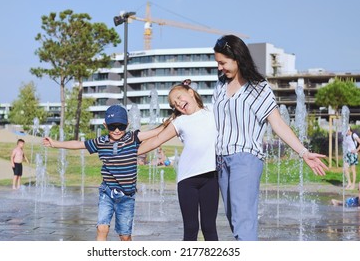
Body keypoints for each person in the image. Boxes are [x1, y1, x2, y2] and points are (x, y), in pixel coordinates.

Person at [212, 35, 329, 241]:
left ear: (237, 58)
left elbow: (277, 123)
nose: (220, 68)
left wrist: (303, 152)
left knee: (243, 221)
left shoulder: (258, 87)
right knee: (233, 218)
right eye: (218, 63)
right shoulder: (220, 86)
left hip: (245, 157)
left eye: (223, 63)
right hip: (221, 160)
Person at [42, 104, 162, 241]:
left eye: (121, 127)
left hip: (127, 196)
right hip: (107, 192)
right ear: (105, 126)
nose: (117, 130)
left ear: (127, 125)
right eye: (112, 127)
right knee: (102, 228)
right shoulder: (101, 142)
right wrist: (55, 143)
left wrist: (170, 122)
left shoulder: (132, 138)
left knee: (125, 236)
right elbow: (78, 144)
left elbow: (155, 132)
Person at [138, 79, 219, 241]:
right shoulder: (179, 121)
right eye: (175, 104)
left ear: (191, 92)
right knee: (191, 228)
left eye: (180, 98)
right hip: (187, 180)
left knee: (209, 227)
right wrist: (129, 152)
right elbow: (157, 139)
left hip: (211, 178)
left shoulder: (213, 111)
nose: (179, 104)